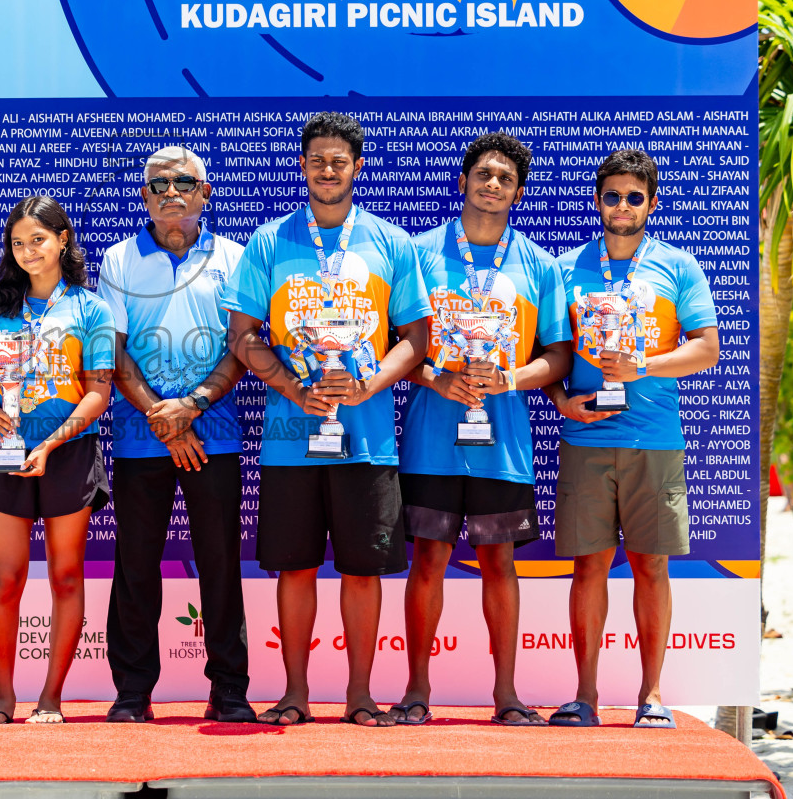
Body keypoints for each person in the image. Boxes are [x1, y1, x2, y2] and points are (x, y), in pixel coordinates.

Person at [223, 111, 429, 728]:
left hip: (368, 443)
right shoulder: (269, 243)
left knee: (364, 572)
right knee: (296, 567)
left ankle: (360, 695)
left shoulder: (391, 243)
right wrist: (291, 385)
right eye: (317, 160)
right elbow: (242, 336)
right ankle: (294, 693)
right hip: (291, 439)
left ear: (357, 167)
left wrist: (370, 383)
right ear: (303, 166)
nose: (327, 170)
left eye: (339, 160)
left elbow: (416, 337)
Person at [393, 133, 571, 727]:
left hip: (504, 447)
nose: (492, 184)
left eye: (505, 178)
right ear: (465, 179)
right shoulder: (417, 254)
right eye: (483, 173)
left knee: (500, 563)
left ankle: (507, 695)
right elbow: (394, 346)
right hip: (429, 439)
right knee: (428, 561)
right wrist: (435, 379)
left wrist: (512, 379)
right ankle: (417, 690)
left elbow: (560, 356)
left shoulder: (539, 265)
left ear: (517, 192)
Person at [544, 149, 719, 728]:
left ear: (652, 202)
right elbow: (554, 356)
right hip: (587, 439)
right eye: (612, 195)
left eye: (634, 196)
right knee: (588, 568)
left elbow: (706, 349)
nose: (622, 206)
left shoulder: (679, 266)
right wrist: (560, 400)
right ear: (598, 202)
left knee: (651, 567)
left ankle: (652, 696)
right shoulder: (566, 269)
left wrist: (642, 365)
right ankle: (585, 696)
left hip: (654, 441)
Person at [97, 146, 252, 724]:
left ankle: (230, 690)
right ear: (143, 197)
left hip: (215, 433)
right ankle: (133, 691)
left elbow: (244, 347)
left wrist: (191, 405)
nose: (170, 190)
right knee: (136, 566)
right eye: (157, 183)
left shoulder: (237, 258)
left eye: (184, 181)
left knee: (220, 564)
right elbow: (110, 351)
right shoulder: (117, 261)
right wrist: (164, 419)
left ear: (205, 194)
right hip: (142, 438)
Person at [0, 195, 116, 725]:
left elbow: (99, 391)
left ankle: (51, 697)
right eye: (18, 242)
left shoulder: (91, 308)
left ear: (62, 240)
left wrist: (50, 443)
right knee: (5, 579)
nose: (28, 251)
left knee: (66, 576)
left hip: (69, 452)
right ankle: (4, 698)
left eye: (38, 240)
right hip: (4, 454)